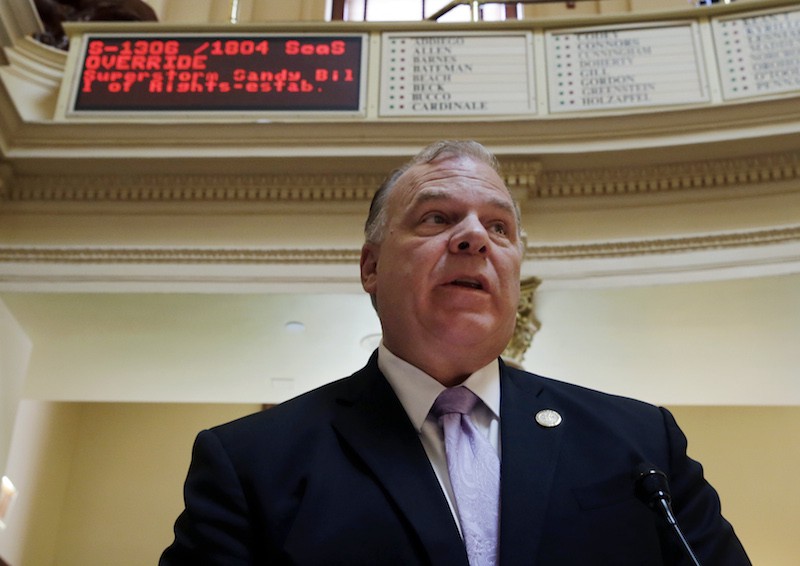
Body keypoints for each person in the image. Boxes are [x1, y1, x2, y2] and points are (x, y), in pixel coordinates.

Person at [161, 140, 751, 565]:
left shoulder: (641, 441)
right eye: (437, 218)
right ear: (371, 267)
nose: (473, 237)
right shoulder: (250, 462)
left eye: (498, 228)